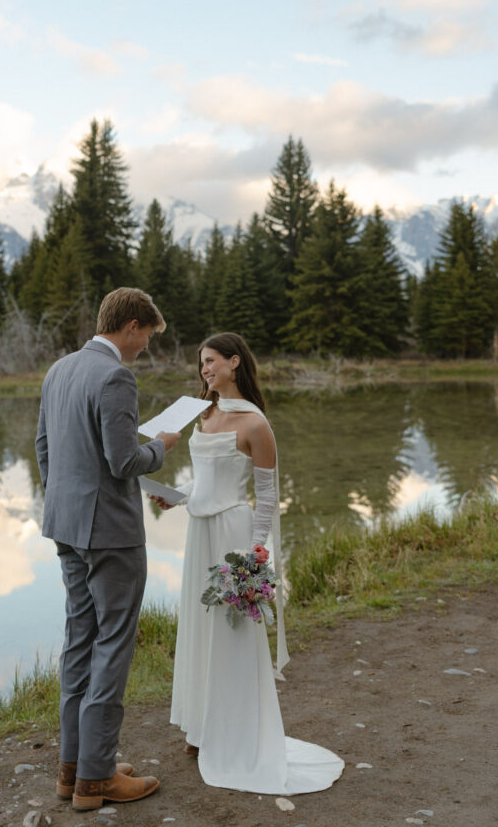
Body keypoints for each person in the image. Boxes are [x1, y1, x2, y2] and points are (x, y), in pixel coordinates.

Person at [159, 332, 344, 795]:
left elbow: (266, 498)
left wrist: (255, 554)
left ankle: (235, 732)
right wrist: (176, 497)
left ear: (234, 362)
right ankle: (202, 729)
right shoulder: (202, 414)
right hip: (199, 531)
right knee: (202, 630)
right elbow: (206, 483)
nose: (204, 369)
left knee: (232, 634)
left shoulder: (256, 424)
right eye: (200, 363)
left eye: (211, 361)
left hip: (232, 537)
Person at [36, 287, 181, 811]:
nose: (144, 347)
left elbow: (43, 450)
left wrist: (67, 503)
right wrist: (160, 447)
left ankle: (73, 768)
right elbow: (124, 462)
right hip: (112, 535)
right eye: (147, 336)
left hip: (67, 527)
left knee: (80, 640)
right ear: (132, 326)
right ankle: (96, 780)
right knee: (113, 643)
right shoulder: (117, 375)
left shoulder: (59, 370)